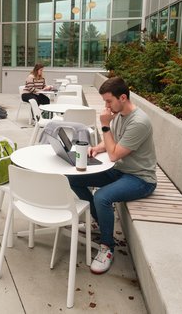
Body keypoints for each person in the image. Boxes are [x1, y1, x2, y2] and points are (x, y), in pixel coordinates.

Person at [67, 76, 157, 274]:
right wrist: (96, 148)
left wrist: (105, 125)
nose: (106, 106)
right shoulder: (119, 115)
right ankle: (100, 221)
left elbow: (115, 153)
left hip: (140, 178)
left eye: (109, 101)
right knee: (73, 178)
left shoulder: (139, 122)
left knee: (102, 196)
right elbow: (113, 143)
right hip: (119, 170)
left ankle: (107, 247)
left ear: (122, 97)